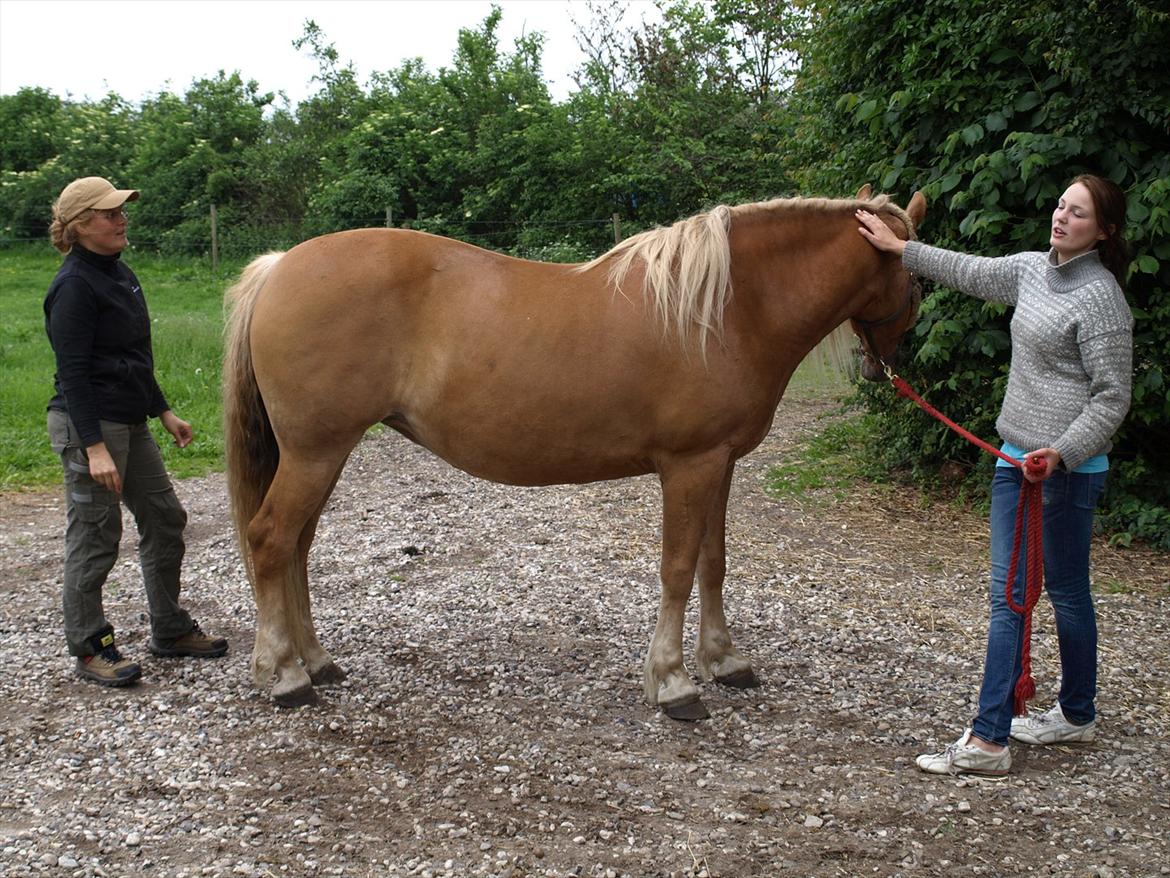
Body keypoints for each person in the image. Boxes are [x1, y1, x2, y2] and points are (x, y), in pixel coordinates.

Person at [856, 174, 1133, 775]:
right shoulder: (1032, 270)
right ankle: (1077, 714)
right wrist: (901, 247)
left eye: (1078, 213)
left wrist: (1061, 452)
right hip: (1015, 459)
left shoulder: (1102, 299)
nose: (1061, 217)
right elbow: (969, 269)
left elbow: (1113, 397)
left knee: (1024, 598)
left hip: (1062, 474)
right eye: (1060, 205)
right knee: (1048, 593)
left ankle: (989, 741)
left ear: (1104, 231)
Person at [44, 176, 228, 687]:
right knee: (96, 537)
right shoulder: (73, 286)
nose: (122, 220)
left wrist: (162, 410)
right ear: (81, 226)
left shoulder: (119, 273)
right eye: (110, 214)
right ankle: (90, 648)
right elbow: (73, 374)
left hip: (130, 420)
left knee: (165, 519)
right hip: (91, 426)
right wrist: (95, 448)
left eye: (121, 211)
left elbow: (133, 356)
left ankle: (169, 629)